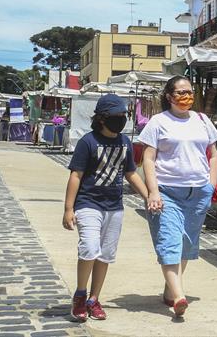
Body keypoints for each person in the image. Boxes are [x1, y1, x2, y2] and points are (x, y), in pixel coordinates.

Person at [63, 94, 150, 322]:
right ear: (102, 119)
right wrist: (68, 209)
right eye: (116, 116)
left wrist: (147, 196)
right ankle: (80, 295)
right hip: (88, 204)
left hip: (114, 208)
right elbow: (76, 175)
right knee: (90, 249)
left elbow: (131, 173)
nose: (121, 119)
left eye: (124, 115)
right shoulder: (87, 142)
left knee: (105, 255)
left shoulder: (125, 143)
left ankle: (94, 299)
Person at [139, 76, 217, 318]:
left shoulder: (202, 120)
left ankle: (170, 290)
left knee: (186, 244)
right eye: (180, 92)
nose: (186, 96)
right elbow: (148, 158)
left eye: (189, 91)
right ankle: (179, 297)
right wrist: (152, 191)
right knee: (168, 241)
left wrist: (211, 185)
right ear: (169, 96)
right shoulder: (158, 122)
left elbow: (213, 154)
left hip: (197, 192)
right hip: (167, 191)